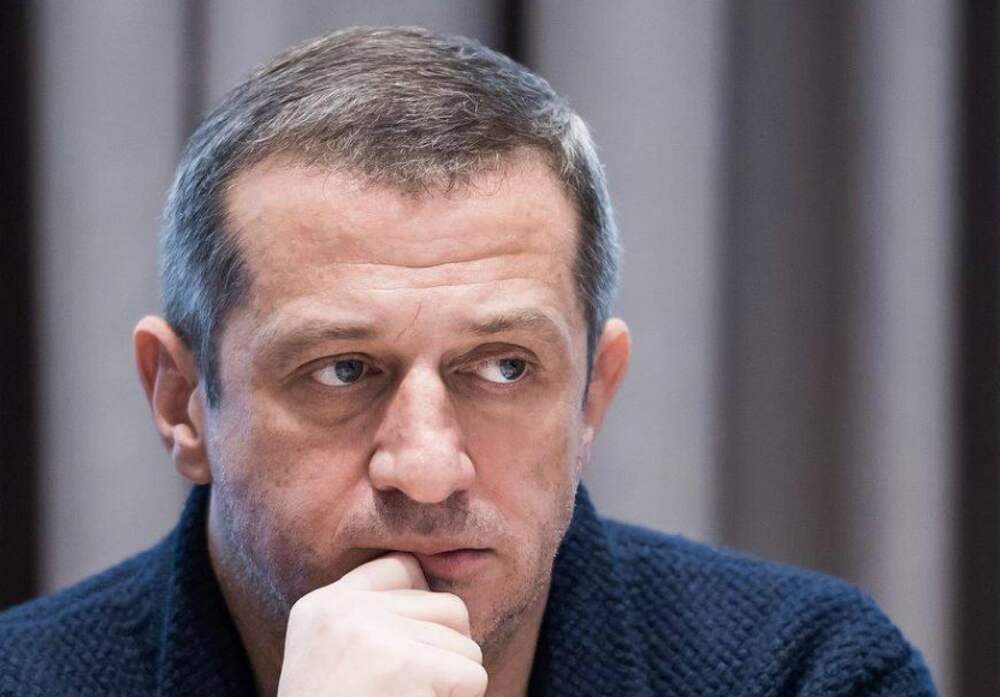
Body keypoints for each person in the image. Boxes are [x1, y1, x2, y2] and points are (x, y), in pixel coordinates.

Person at [0, 26, 936, 697]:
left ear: (593, 395)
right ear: (181, 400)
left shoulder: (806, 669)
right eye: (342, 370)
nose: (427, 469)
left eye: (504, 368)